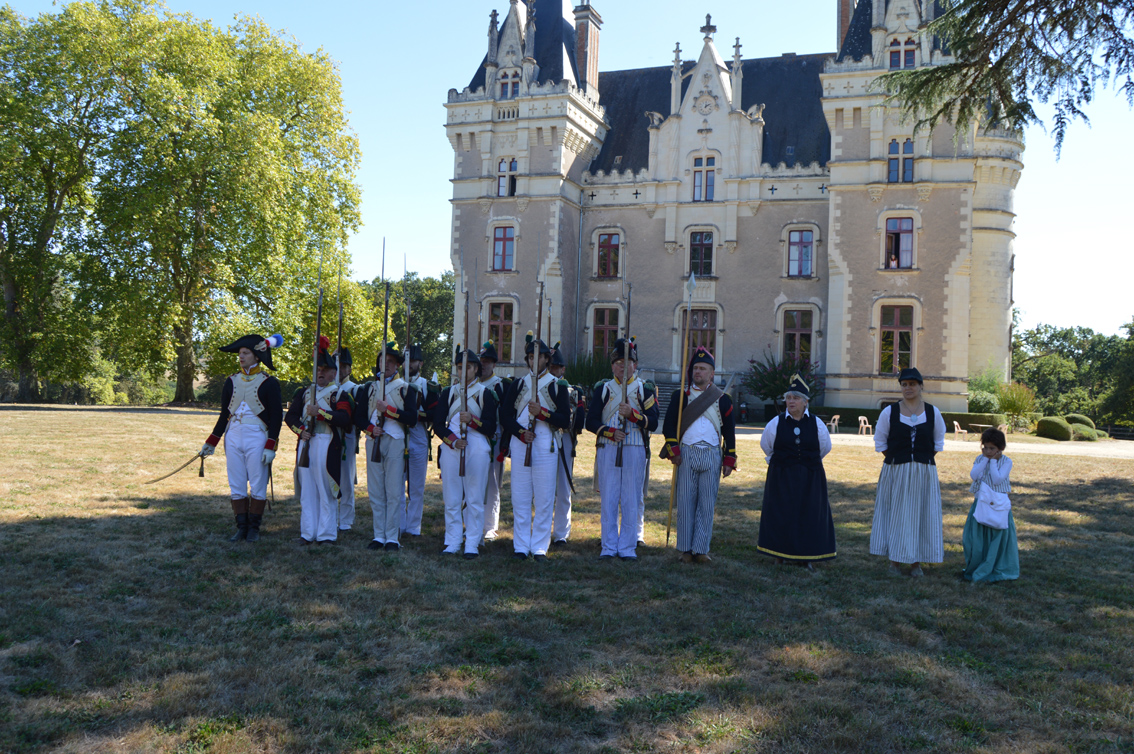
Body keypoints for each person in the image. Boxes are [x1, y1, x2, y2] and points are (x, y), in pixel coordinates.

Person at [200, 334, 284, 542]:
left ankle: (254, 528)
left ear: (257, 356)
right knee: (236, 483)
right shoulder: (231, 381)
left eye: (245, 353)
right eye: (240, 353)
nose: (241, 357)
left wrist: (270, 445)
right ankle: (241, 527)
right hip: (234, 435)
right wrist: (211, 442)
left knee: (257, 483)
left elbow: (276, 417)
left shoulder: (269, 382)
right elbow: (223, 415)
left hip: (257, 436)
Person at [661, 346, 736, 563]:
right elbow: (668, 427)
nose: (698, 372)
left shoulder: (722, 399)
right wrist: (674, 451)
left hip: (712, 455)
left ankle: (701, 549)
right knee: (685, 502)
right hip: (686, 454)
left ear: (712, 373)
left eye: (703, 369)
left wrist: (729, 458)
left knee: (706, 504)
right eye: (695, 368)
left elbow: (729, 432)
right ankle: (685, 549)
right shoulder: (680, 396)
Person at [586, 337, 659, 561]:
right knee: (609, 498)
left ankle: (627, 547)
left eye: (627, 362)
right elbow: (590, 421)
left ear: (634, 365)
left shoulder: (644, 389)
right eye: (618, 361)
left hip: (635, 446)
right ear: (612, 366)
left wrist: (633, 415)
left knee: (631, 498)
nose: (622, 365)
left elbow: (654, 422)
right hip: (608, 447)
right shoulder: (603, 388)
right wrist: (609, 432)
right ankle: (608, 546)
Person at [869, 367, 947, 577]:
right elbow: (880, 442)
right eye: (904, 384)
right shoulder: (890, 412)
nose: (908, 388)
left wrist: (919, 461)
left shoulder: (933, 412)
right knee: (897, 515)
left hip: (924, 473)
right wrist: (899, 459)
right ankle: (894, 561)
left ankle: (915, 563)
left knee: (921, 515)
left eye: (912, 384)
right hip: (896, 471)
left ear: (921, 386)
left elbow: (937, 443)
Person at [501, 332, 571, 561]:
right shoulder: (518, 384)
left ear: (547, 360)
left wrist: (542, 413)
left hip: (545, 446)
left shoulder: (556, 385)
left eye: (538, 356)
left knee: (543, 498)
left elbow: (564, 420)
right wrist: (521, 434)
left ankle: (540, 546)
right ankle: (521, 545)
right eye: (530, 356)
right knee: (520, 497)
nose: (533, 360)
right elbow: (505, 416)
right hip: (521, 443)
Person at [756, 375, 835, 569]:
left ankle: (806, 556)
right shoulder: (775, 423)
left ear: (805, 401)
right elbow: (767, 446)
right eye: (788, 398)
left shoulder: (817, 425)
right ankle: (779, 554)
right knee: (781, 513)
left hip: (810, 478)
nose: (791, 401)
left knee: (808, 514)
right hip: (782, 476)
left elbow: (825, 448)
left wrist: (806, 463)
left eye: (796, 398)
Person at [284, 337, 354, 545]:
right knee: (308, 490)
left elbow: (345, 419)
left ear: (334, 372)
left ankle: (326, 534)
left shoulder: (339, 394)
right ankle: (307, 533)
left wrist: (321, 413)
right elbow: (291, 417)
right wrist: (301, 430)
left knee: (326, 490)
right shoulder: (304, 392)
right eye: (318, 369)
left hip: (327, 441)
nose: (321, 373)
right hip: (307, 442)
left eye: (325, 369)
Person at [353, 342, 419, 551]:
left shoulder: (407, 389)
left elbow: (412, 418)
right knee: (375, 491)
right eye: (383, 360)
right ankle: (378, 535)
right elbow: (359, 417)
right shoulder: (369, 388)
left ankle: (392, 536)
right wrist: (371, 429)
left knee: (393, 491)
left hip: (395, 441)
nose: (386, 364)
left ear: (398, 365)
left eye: (390, 362)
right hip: (374, 440)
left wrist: (389, 410)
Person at [434, 347, 498, 559]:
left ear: (476, 369)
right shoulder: (448, 393)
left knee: (475, 498)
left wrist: (472, 421)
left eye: (468, 367)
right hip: (452, 448)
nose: (463, 371)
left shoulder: (485, 394)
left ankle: (472, 542)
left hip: (477, 447)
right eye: (460, 367)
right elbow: (438, 425)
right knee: (452, 498)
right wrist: (452, 442)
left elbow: (490, 427)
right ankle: (452, 541)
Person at [962, 428, 1019, 583]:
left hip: (998, 506)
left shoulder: (1006, 461)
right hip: (981, 503)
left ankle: (995, 565)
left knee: (996, 537)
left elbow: (997, 479)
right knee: (975, 538)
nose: (988, 451)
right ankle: (977, 564)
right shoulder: (980, 459)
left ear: (1000, 448)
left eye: (992, 448)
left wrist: (993, 461)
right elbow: (974, 475)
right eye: (985, 447)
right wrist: (985, 460)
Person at [549, 342, 585, 546]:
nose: (553, 371)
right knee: (543, 489)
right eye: (550, 367)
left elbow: (580, 422)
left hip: (565, 439)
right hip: (544, 439)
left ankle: (561, 532)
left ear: (563, 369)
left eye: (556, 368)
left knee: (563, 488)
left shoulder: (574, 391)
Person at [401, 344, 435, 539]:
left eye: (413, 361)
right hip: (399, 436)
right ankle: (399, 523)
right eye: (406, 360)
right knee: (397, 484)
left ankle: (413, 526)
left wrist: (415, 415)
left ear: (420, 363)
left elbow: (434, 413)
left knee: (416, 487)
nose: (409, 364)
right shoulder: (397, 384)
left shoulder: (427, 385)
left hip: (419, 436)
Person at [478, 340, 509, 541]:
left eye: (488, 361)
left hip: (494, 437)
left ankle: (490, 526)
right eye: (481, 361)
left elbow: (505, 416)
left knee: (492, 483)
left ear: (494, 364)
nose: (484, 365)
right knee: (473, 481)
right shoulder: (472, 383)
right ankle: (472, 522)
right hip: (473, 436)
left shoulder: (500, 385)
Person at [334, 347, 359, 533]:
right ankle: (331, 514)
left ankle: (346, 518)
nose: (340, 369)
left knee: (346, 479)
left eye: (344, 366)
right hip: (328, 436)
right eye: (337, 365)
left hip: (348, 437)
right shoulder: (329, 387)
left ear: (349, 369)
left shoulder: (355, 389)